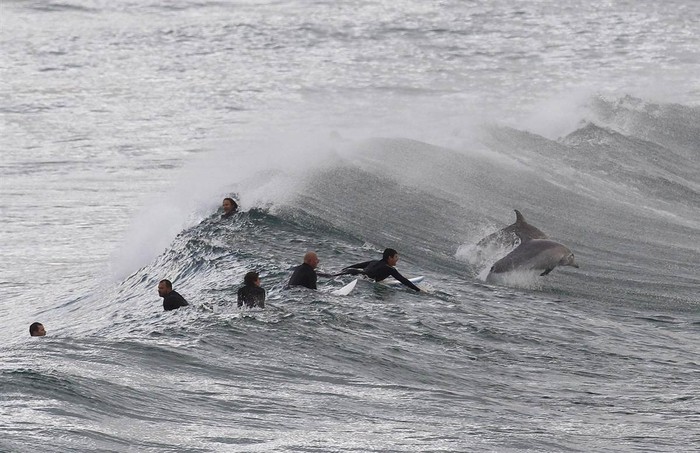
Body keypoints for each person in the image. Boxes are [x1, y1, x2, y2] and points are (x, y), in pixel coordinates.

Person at [342, 248, 421, 292]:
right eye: (396, 257)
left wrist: (344, 269)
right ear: (390, 258)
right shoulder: (390, 269)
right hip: (361, 278)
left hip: (351, 272)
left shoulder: (374, 262)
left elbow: (356, 266)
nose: (398, 259)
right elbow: (403, 280)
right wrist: (418, 290)